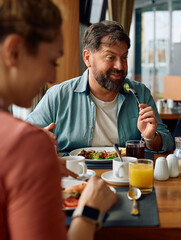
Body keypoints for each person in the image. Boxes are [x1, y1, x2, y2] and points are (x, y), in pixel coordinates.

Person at [0, 1, 117, 239]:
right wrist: (89, 211)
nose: (52, 77)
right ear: (13, 51)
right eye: (52, 62)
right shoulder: (25, 143)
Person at [26, 20, 173, 152]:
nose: (120, 66)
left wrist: (151, 138)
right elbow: (22, 140)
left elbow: (167, 142)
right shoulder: (58, 96)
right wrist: (37, 140)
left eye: (124, 57)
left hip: (125, 178)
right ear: (87, 58)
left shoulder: (140, 93)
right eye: (110, 57)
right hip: (75, 177)